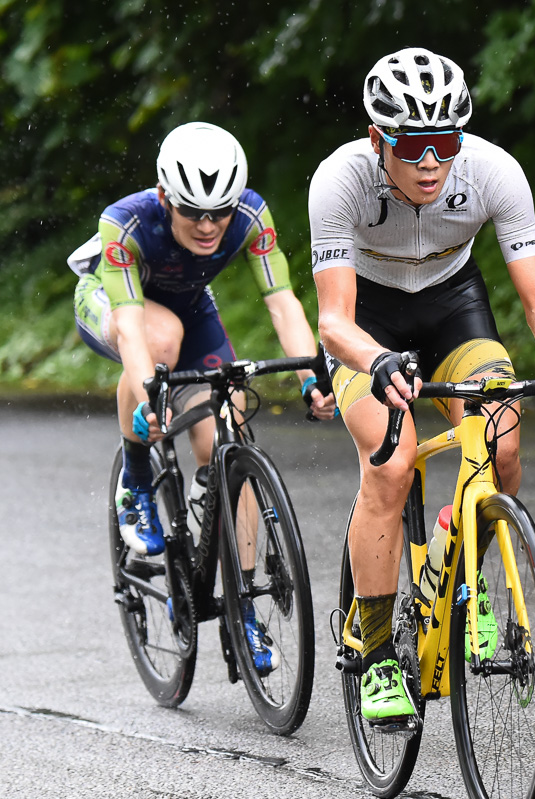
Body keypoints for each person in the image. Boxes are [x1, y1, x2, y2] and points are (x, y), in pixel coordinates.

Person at [309, 48, 535, 723]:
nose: (432, 162)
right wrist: (377, 362)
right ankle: (372, 651)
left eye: (445, 142)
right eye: (414, 145)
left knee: (502, 442)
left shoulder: (492, 172)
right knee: (391, 468)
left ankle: (463, 571)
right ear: (377, 139)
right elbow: (333, 321)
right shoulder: (339, 182)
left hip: (454, 307)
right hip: (367, 326)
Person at [70, 121, 335, 672]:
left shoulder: (252, 216)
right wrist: (149, 399)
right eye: (194, 212)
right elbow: (135, 326)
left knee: (230, 418)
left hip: (190, 306)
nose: (211, 225)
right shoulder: (126, 223)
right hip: (115, 303)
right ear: (166, 197)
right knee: (159, 342)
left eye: (222, 211)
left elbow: (282, 300)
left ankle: (244, 612)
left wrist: (313, 376)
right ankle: (136, 481)